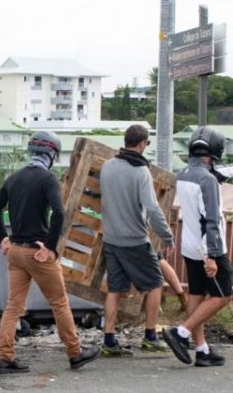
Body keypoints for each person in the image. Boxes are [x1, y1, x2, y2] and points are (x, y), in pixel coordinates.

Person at [0, 131, 98, 374]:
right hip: (37, 253)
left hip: (15, 251)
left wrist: (2, 239)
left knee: (13, 305)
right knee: (59, 302)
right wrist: (50, 248)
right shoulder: (48, 179)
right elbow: (59, 213)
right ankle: (75, 353)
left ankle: (5, 357)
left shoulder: (14, 178)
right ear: (52, 153)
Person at [99, 124, 174, 357]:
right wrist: (167, 236)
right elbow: (152, 208)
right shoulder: (140, 171)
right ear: (142, 144)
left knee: (114, 289)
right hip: (135, 240)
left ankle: (109, 341)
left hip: (111, 239)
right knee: (155, 284)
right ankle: (150, 336)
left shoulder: (107, 166)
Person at [163, 127, 231, 367]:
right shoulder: (208, 180)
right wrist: (212, 256)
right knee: (225, 294)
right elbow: (211, 219)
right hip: (209, 247)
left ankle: (201, 349)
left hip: (189, 245)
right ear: (213, 151)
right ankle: (180, 333)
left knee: (196, 294)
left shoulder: (182, 173)